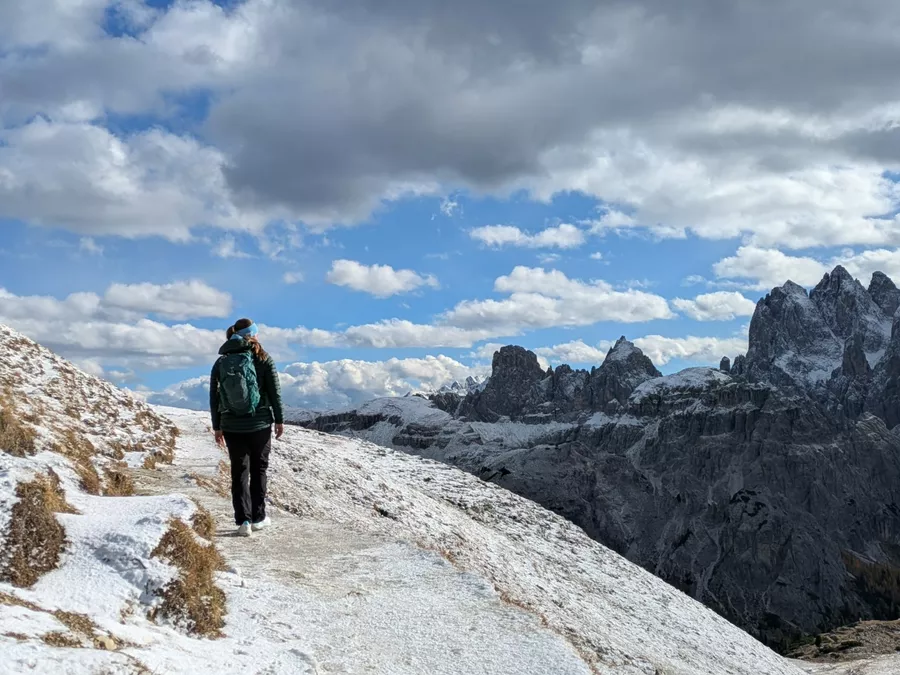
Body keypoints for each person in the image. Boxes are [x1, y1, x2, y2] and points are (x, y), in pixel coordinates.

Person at [209, 318, 284, 537]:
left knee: (239, 471)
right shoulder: (263, 358)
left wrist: (217, 426)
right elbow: (275, 391)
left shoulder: (221, 362)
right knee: (259, 470)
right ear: (251, 335)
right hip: (259, 423)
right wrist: (279, 420)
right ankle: (259, 518)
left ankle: (243, 522)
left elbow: (214, 397)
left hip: (231, 425)